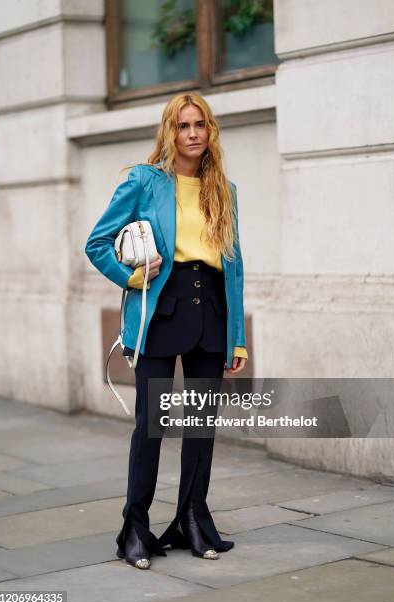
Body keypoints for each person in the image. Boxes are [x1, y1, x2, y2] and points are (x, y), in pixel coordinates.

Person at [85, 92, 248, 570]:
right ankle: (135, 529)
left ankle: (192, 520)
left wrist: (235, 334)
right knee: (150, 428)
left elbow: (234, 267)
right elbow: (97, 244)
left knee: (200, 427)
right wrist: (133, 278)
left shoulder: (225, 190)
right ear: (169, 132)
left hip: (211, 311)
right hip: (161, 309)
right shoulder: (143, 181)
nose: (192, 133)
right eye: (183, 126)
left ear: (210, 130)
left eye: (200, 125)